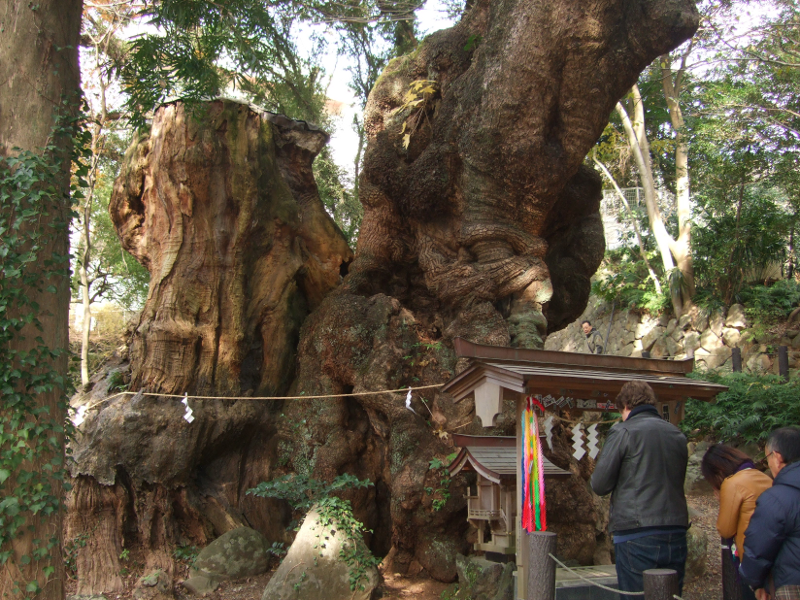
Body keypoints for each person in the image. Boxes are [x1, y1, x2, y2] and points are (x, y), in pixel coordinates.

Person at [590, 380, 689, 593]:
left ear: (626, 405)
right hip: (676, 530)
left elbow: (599, 484)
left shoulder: (623, 432)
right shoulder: (676, 434)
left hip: (636, 531)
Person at [701, 444, 773, 600]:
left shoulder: (732, 483)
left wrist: (721, 497)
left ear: (717, 471)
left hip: (751, 559)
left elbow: (725, 529)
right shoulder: (763, 476)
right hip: (772, 554)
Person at [740, 427, 800, 600]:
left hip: (791, 586)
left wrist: (754, 582)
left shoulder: (776, 498)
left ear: (778, 457)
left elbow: (759, 547)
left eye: (767, 458)